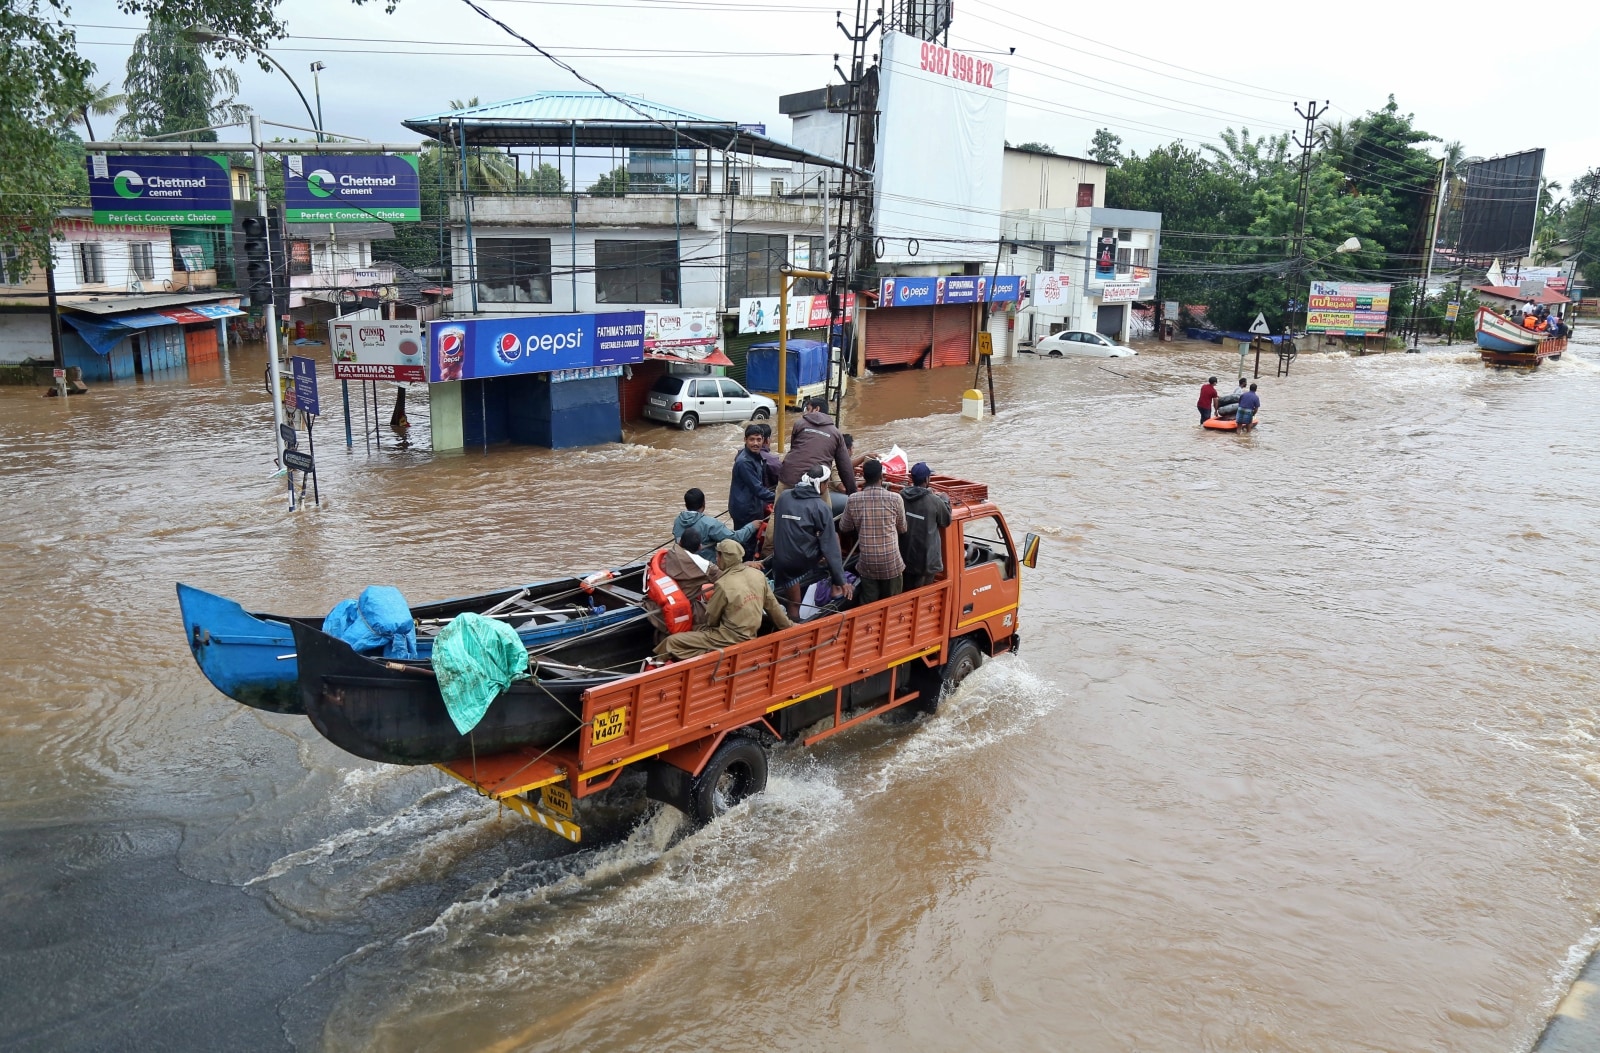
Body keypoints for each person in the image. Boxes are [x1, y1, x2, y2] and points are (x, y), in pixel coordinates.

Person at [654, 539, 794, 661]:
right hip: (749, 634)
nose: (716, 558)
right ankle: (704, 655)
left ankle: (656, 669)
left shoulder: (723, 584)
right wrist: (789, 626)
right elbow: (773, 608)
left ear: (724, 558)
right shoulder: (758, 575)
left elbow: (711, 619)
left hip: (728, 638)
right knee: (693, 632)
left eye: (718, 555)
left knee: (671, 641)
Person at [767, 464, 851, 619]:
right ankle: (835, 588)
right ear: (824, 485)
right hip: (800, 561)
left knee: (793, 601)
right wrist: (841, 579)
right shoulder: (820, 507)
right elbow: (830, 545)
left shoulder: (784, 496)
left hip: (779, 560)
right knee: (835, 538)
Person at [839, 458, 907, 604]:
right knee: (892, 602)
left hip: (867, 563)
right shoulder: (896, 499)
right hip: (892, 563)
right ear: (881, 477)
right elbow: (903, 528)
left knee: (869, 600)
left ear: (864, 477)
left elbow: (844, 527)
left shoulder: (853, 499)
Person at [643, 527, 720, 633]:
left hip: (654, 607)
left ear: (679, 542)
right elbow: (724, 580)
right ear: (699, 547)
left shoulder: (666, 556)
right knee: (717, 615)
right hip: (682, 611)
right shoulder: (706, 567)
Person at [779, 395, 856, 496]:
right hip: (817, 485)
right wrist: (853, 493)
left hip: (788, 478)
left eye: (808, 409)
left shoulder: (799, 424)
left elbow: (794, 449)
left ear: (817, 409)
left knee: (777, 509)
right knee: (826, 510)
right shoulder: (836, 433)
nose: (806, 413)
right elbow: (845, 467)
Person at [900, 462, 952, 589]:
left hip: (904, 556)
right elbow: (946, 521)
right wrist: (945, 500)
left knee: (907, 590)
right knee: (923, 594)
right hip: (926, 562)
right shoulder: (934, 501)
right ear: (927, 479)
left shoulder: (901, 496)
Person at [672, 488, 757, 562]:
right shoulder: (710, 524)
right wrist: (752, 526)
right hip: (708, 570)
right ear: (703, 504)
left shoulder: (677, 522)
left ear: (686, 505)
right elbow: (736, 538)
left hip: (684, 565)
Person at [728, 424, 775, 529]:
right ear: (745, 440)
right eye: (752, 439)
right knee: (747, 543)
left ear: (763, 440)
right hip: (746, 512)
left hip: (750, 506)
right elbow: (758, 489)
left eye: (758, 440)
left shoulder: (755, 457)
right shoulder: (744, 462)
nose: (755, 443)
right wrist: (780, 497)